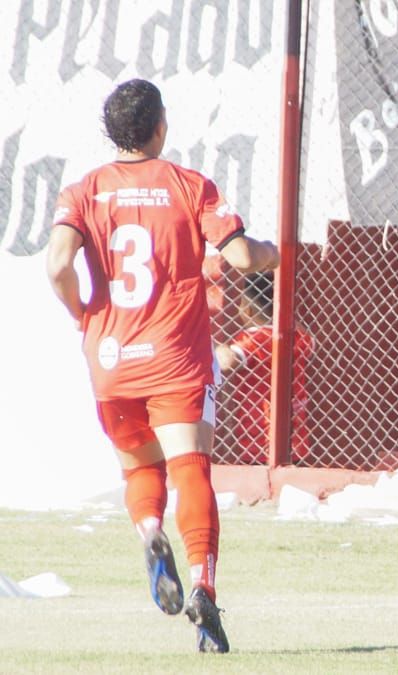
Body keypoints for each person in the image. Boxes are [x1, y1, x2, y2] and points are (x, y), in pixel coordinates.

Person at [45, 79, 279, 653]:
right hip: (175, 356)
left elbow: (56, 265)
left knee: (139, 471)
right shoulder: (187, 184)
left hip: (112, 359)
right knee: (190, 468)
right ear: (160, 125)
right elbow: (243, 256)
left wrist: (85, 313)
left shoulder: (84, 191)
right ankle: (202, 585)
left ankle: (150, 531)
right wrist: (276, 252)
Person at [213, 271, 313, 465]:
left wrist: (216, 347)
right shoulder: (296, 336)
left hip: (259, 437)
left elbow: (228, 361)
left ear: (247, 310)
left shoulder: (253, 339)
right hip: (297, 439)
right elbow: (310, 341)